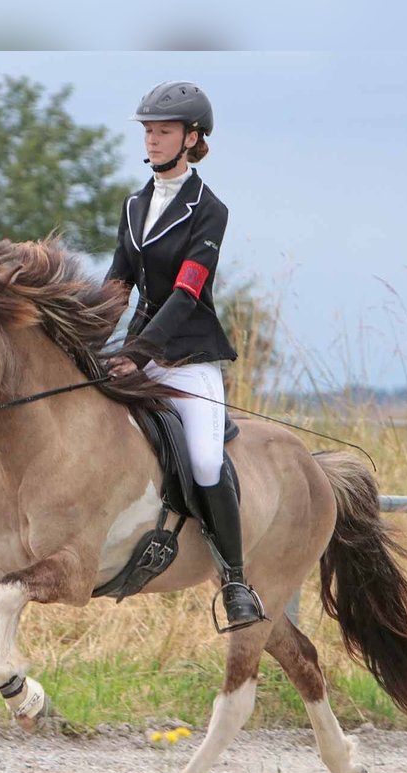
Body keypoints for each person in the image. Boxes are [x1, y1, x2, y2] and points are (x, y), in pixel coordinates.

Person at [105, 80, 266, 633]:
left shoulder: (209, 210)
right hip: (137, 352)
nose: (152, 138)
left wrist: (141, 350)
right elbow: (118, 282)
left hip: (190, 358)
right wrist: (87, 338)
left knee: (202, 458)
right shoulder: (134, 205)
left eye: (163, 130)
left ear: (192, 138)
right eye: (148, 129)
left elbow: (187, 291)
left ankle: (236, 580)